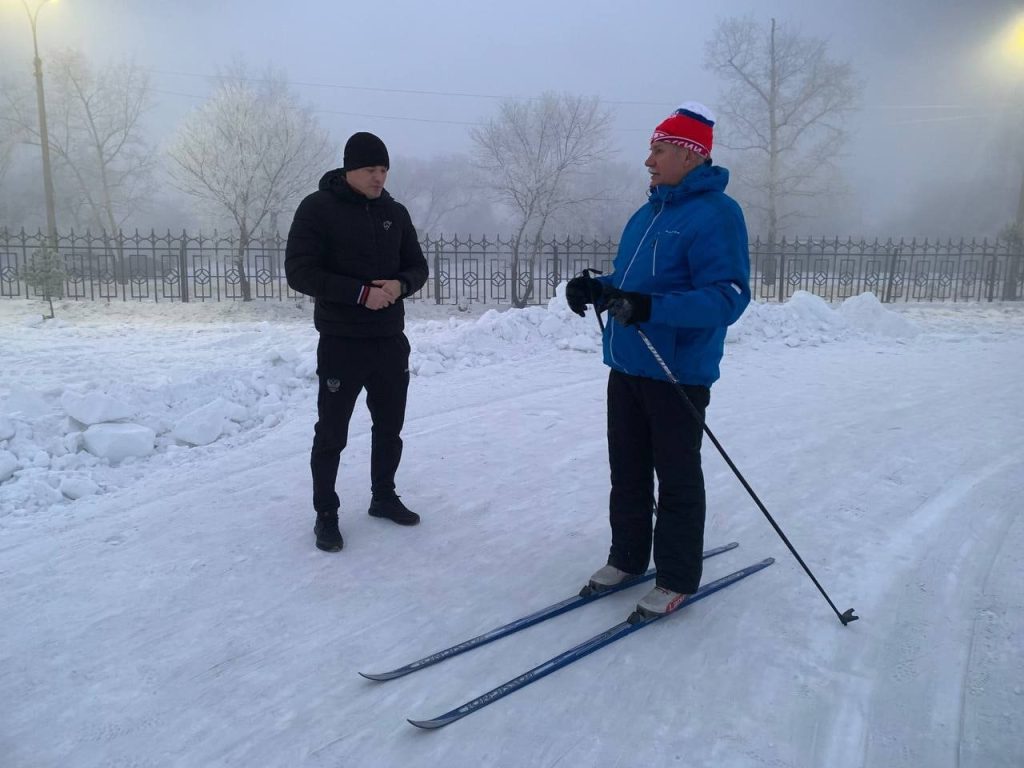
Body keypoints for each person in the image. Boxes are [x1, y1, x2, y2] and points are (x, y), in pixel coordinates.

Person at [565, 102, 751, 617]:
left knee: (675, 475)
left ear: (691, 156)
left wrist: (651, 308)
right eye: (652, 148)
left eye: (660, 149)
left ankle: (675, 576)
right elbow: (634, 285)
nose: (648, 160)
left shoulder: (717, 214)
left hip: (676, 371)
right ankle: (626, 557)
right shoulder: (648, 213)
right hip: (627, 364)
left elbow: (728, 296)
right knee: (626, 470)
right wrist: (599, 288)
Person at [285, 131, 429, 552]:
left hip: (389, 341)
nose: (379, 177)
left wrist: (401, 285)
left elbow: (417, 266)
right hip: (341, 341)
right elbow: (299, 271)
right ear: (350, 168)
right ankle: (325, 513)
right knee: (332, 432)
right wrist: (360, 293)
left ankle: (383, 496)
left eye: (384, 169)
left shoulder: (394, 213)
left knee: (390, 427)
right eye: (371, 169)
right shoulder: (317, 209)